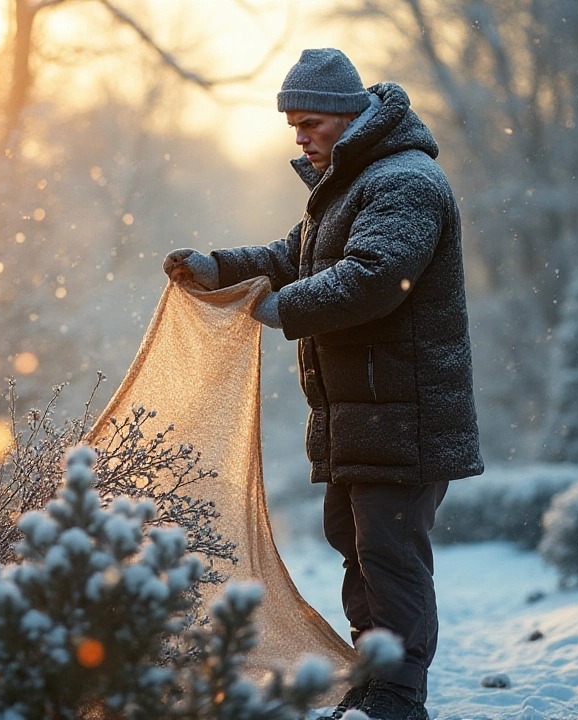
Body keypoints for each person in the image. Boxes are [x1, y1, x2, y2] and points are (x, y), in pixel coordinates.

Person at [163, 48, 483, 720]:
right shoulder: (345, 189)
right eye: (294, 127)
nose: (300, 138)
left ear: (348, 115)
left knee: (390, 556)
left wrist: (284, 309)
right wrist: (218, 267)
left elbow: (375, 278)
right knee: (357, 549)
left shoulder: (404, 182)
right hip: (359, 416)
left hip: (406, 414)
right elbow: (290, 259)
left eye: (310, 123)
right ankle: (373, 679)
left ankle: (396, 696)